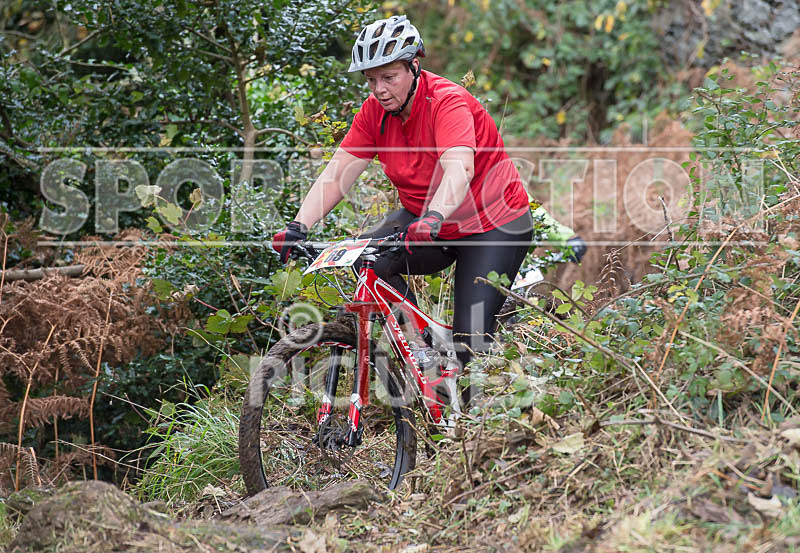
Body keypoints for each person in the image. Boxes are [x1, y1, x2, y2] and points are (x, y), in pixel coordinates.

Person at [273, 15, 582, 401]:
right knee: (368, 260)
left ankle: (467, 415)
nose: (380, 90)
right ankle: (425, 355)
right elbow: (338, 174)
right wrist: (299, 225)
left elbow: (459, 167)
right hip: (427, 220)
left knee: (470, 341)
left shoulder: (447, 102)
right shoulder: (375, 113)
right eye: (371, 80)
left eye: (389, 77)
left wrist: (434, 216)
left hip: (492, 225)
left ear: (413, 66)